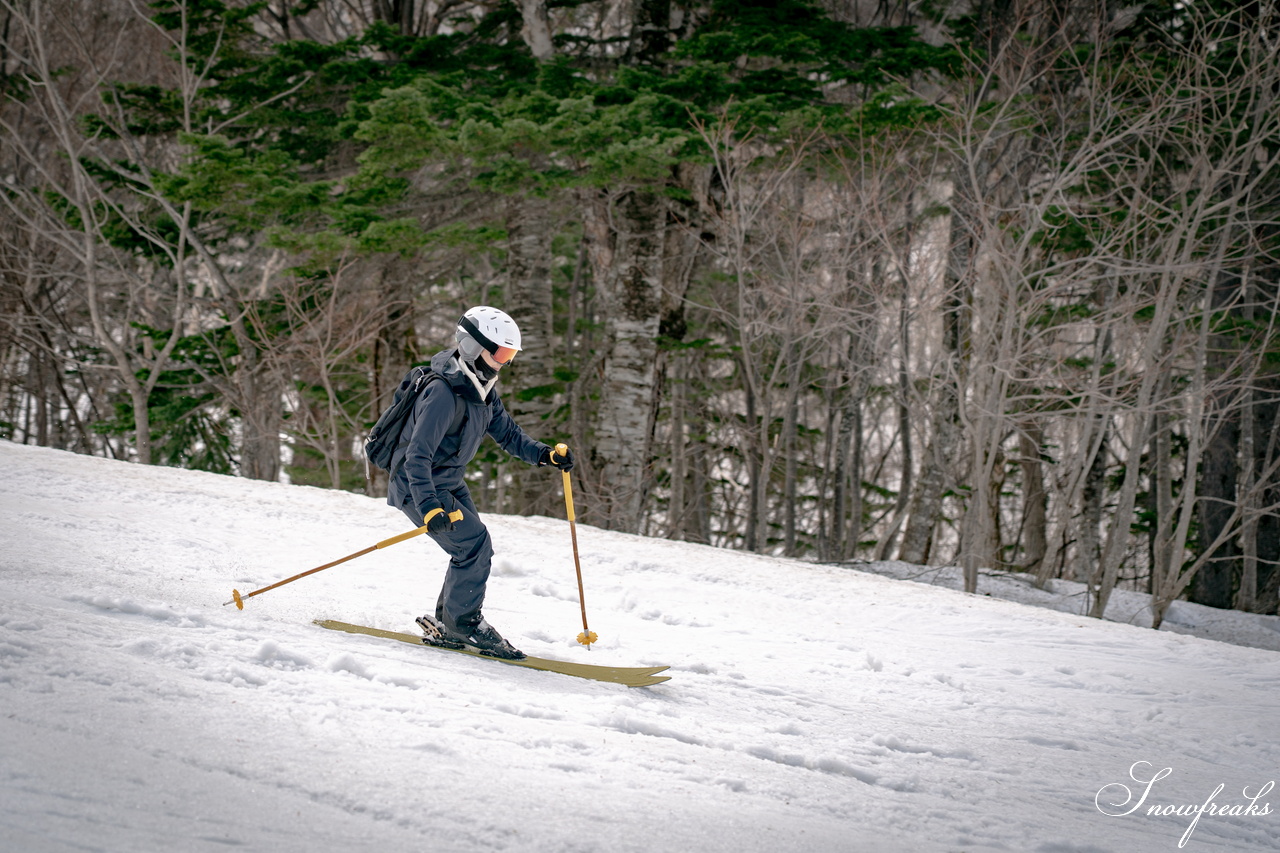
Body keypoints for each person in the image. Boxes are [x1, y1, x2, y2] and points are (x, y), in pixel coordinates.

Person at [385, 306, 573, 660]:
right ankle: (463, 623)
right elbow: (417, 457)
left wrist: (545, 455)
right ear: (473, 347)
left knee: (471, 547)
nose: (504, 362)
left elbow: (509, 434)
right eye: (500, 353)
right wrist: (429, 507)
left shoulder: (481, 389)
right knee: (473, 545)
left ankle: (449, 622)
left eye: (510, 355)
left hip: (447, 480)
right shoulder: (442, 393)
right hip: (418, 485)